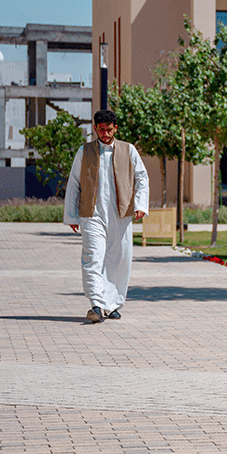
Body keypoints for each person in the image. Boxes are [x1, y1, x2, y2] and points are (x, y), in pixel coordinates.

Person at [64, 109, 149, 324]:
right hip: (91, 215)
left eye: (108, 129)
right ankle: (95, 304)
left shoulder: (128, 150)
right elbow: (74, 183)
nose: (104, 133)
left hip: (120, 214)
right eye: (100, 130)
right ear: (95, 129)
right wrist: (72, 216)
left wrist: (140, 205)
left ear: (115, 129)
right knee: (93, 257)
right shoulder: (84, 152)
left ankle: (112, 305)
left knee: (119, 258)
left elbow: (142, 178)